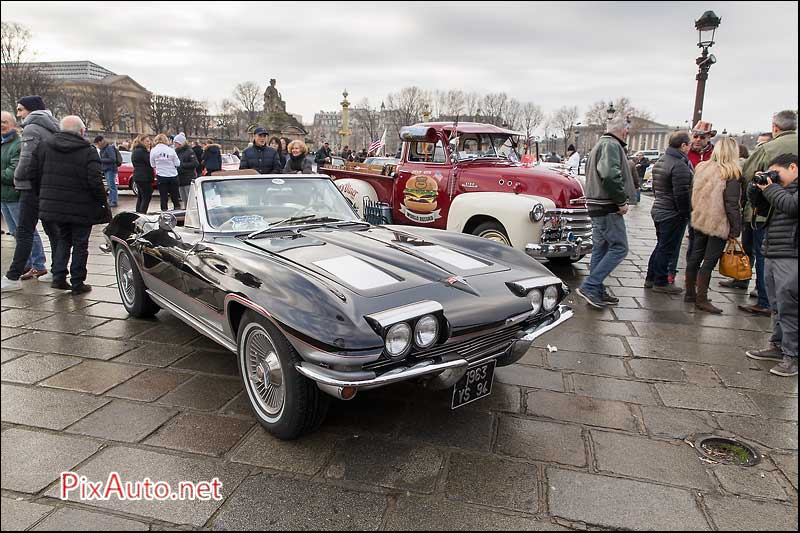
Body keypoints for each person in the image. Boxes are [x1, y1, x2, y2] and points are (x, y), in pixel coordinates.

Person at [35, 116, 107, 294]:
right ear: (82, 131)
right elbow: (95, 181)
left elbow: (34, 174)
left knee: (63, 239)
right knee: (80, 243)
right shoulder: (88, 150)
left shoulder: (44, 147)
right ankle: (77, 282)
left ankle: (58, 277)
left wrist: (44, 196)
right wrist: (102, 202)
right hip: (81, 205)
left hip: (54, 204)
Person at [738, 110, 798, 315]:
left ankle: (765, 300)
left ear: (775, 127)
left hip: (769, 210)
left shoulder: (769, 147)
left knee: (767, 257)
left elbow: (748, 174)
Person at [745, 154, 797, 376]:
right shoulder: (778, 189)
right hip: (773, 250)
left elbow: (792, 207)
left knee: (790, 306)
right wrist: (756, 188)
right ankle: (777, 346)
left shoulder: (783, 191)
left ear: (793, 167)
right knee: (776, 304)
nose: (776, 177)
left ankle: (793, 356)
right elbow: (760, 207)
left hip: (792, 254)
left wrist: (770, 187)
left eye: (778, 172)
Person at [576, 116, 636, 308]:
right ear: (622, 130)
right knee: (619, 248)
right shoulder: (611, 146)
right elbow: (610, 175)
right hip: (607, 205)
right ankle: (591, 286)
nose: (628, 133)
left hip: (596, 205)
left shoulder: (600, 145)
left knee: (600, 248)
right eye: (627, 129)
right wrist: (621, 201)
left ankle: (597, 289)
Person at [2, 95, 58, 292]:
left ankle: (13, 276)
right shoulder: (52, 125)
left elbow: (26, 161)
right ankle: (57, 271)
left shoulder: (32, 127)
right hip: (47, 185)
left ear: (31, 110)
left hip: (30, 186)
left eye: (20, 110)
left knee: (24, 231)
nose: (19, 114)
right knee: (52, 230)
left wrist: (18, 179)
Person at [684, 137, 743, 314]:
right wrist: (735, 228)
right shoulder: (731, 172)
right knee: (709, 261)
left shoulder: (702, 167)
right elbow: (732, 204)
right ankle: (701, 299)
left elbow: (692, 192)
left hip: (701, 218)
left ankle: (690, 293)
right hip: (718, 222)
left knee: (695, 257)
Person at [645, 132, 693, 294]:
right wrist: (686, 213)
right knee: (666, 248)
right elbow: (682, 194)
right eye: (689, 144)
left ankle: (650, 278)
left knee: (661, 246)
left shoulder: (661, 161)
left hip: (659, 207)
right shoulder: (679, 165)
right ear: (683, 145)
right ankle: (660, 281)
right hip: (672, 212)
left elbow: (655, 187)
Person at [150, 134, 181, 211]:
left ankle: (164, 213)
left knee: (163, 197)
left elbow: (152, 164)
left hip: (161, 175)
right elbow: (178, 163)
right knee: (175, 196)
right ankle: (177, 211)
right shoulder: (171, 150)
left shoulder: (153, 150)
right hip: (173, 175)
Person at [93, 135, 120, 208]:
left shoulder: (109, 148)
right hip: (106, 169)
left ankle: (113, 201)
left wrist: (100, 160)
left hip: (110, 169)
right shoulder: (103, 149)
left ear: (101, 142)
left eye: (97, 144)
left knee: (112, 186)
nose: (97, 146)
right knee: (110, 186)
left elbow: (112, 159)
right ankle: (111, 200)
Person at [131, 135, 154, 214]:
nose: (149, 143)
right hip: (144, 177)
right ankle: (142, 214)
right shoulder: (142, 151)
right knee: (146, 197)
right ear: (142, 141)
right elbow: (149, 161)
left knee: (141, 197)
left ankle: (138, 214)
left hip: (138, 176)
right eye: (147, 141)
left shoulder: (136, 150)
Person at [173, 133, 198, 205]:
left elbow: (195, 163)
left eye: (176, 143)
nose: (174, 144)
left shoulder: (189, 151)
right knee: (184, 199)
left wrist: (182, 165)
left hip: (188, 178)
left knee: (190, 199)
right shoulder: (176, 151)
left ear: (180, 143)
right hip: (180, 179)